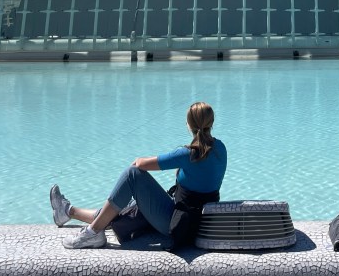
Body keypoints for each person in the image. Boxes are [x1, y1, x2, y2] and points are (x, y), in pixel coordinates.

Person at [50, 101, 226, 249]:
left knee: (131, 175)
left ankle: (92, 233)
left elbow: (140, 164)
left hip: (178, 225)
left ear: (189, 125)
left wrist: (138, 161)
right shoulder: (221, 149)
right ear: (212, 122)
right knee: (119, 211)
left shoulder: (188, 154)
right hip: (199, 223)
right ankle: (67, 211)